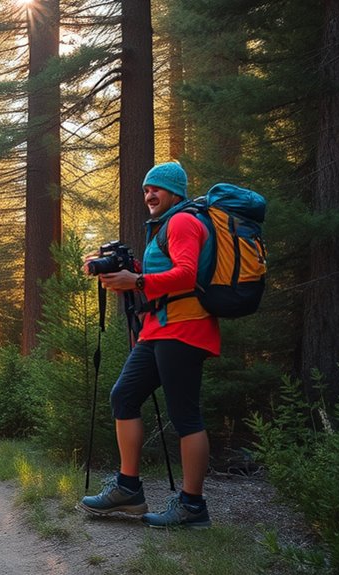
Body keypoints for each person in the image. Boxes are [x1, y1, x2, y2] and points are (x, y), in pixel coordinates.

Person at [78, 161, 218, 529]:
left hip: (185, 328)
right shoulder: (164, 227)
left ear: (175, 192)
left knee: (185, 415)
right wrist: (123, 270)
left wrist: (136, 281)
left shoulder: (185, 221)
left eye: (156, 188)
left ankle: (192, 506)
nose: (149, 195)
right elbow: (161, 275)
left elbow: (187, 273)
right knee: (123, 396)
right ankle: (129, 489)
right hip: (158, 331)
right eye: (145, 189)